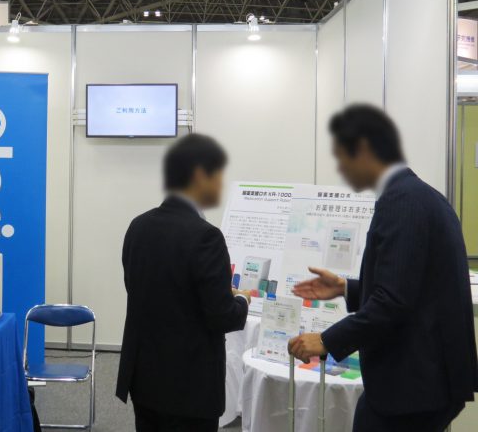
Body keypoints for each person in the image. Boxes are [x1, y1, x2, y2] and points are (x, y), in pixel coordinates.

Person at [288, 105, 478, 432]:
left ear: (364, 149)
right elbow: (414, 288)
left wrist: (326, 340)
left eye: (341, 157)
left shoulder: (401, 201)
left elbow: (393, 301)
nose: (340, 168)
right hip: (426, 382)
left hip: (411, 388)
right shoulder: (422, 196)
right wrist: (346, 287)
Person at [116, 133, 250, 432]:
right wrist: (241, 300)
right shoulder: (206, 236)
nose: (221, 184)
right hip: (190, 385)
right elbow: (222, 316)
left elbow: (140, 289)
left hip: (145, 377)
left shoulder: (138, 226)